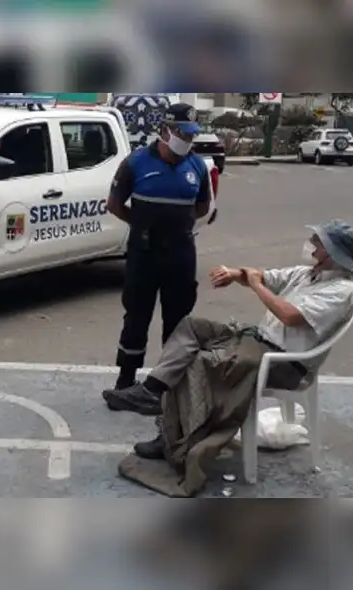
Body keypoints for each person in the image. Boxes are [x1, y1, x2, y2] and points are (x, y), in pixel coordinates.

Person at [105, 220, 353, 494]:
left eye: (318, 242)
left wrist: (255, 286)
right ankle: (152, 391)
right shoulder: (306, 274)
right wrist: (235, 274)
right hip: (258, 341)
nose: (312, 245)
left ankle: (173, 439)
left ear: (332, 253)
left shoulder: (341, 291)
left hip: (285, 362)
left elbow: (289, 316)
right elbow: (261, 276)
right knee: (192, 327)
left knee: (201, 362)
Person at [106, 102, 213, 395]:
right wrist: (140, 224)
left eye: (191, 135)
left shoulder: (197, 166)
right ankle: (126, 381)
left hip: (180, 255)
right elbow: (114, 204)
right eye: (182, 133)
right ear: (165, 130)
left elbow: (202, 206)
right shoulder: (135, 163)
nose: (187, 141)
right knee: (136, 318)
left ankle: (168, 385)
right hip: (144, 255)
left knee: (178, 323)